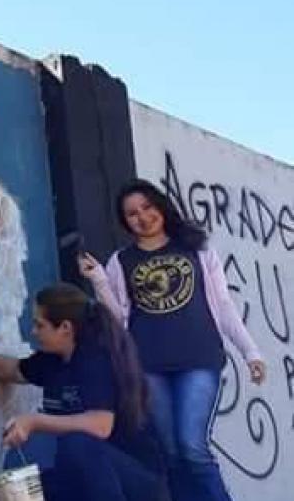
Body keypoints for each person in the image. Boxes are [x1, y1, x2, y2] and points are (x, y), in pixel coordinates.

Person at [78, 178, 267, 501]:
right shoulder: (121, 261)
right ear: (125, 221)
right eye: (132, 213)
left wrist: (251, 352)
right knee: (172, 454)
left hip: (199, 360)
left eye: (147, 207)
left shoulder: (197, 250)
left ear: (161, 206)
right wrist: (98, 280)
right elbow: (119, 319)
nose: (143, 217)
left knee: (192, 446)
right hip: (149, 366)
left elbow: (223, 305)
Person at [0, 283, 170, 501]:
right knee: (26, 490)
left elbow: (100, 426)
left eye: (39, 325)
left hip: (136, 481)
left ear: (65, 327)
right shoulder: (52, 359)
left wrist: (34, 422)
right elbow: (13, 370)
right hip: (87, 474)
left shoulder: (96, 359)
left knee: (77, 444)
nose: (33, 331)